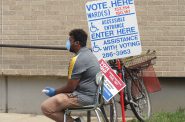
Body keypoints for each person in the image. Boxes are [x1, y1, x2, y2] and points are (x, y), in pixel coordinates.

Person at [41, 29, 100, 122]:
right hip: (93, 96)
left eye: (70, 41)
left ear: (77, 43)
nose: (68, 43)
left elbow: (70, 87)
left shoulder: (78, 59)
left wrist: (54, 92)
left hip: (83, 97)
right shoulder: (90, 54)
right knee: (58, 103)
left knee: (46, 107)